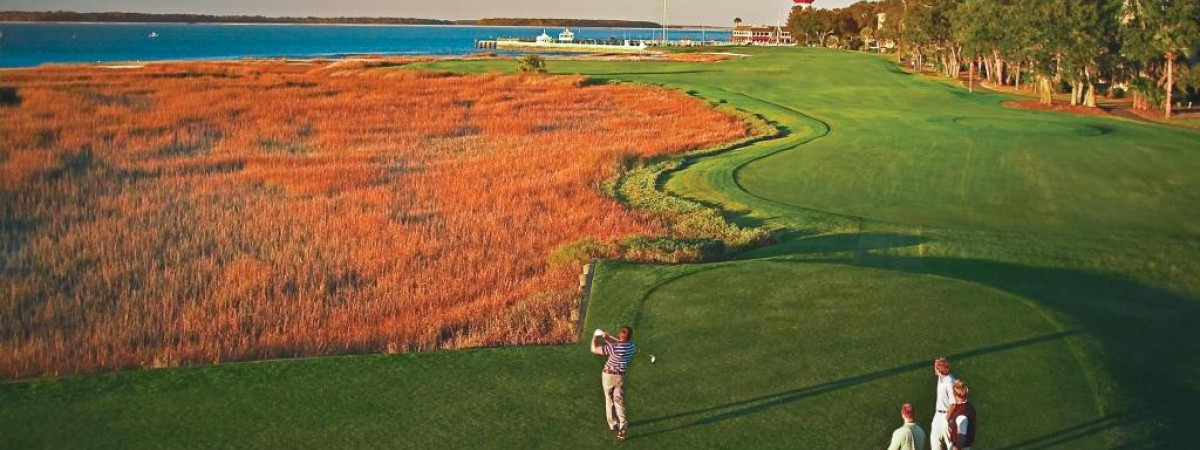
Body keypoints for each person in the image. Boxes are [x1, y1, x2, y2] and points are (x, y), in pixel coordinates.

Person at [591, 326, 636, 441]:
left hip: (608, 376)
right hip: (620, 376)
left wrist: (595, 337)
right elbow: (619, 343)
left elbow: (594, 349)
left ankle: (612, 423)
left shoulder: (614, 347)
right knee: (619, 400)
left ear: (620, 335)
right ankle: (623, 423)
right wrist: (606, 337)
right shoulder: (631, 346)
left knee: (609, 398)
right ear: (630, 337)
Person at [930, 357, 957, 450]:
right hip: (938, 415)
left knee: (951, 446)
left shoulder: (950, 382)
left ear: (939, 370)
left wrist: (946, 420)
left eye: (935, 367)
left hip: (947, 416)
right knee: (935, 443)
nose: (934, 368)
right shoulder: (941, 377)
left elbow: (953, 404)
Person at [947, 380, 976, 450]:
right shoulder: (969, 406)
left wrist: (956, 448)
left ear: (955, 395)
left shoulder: (961, 416)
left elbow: (961, 438)